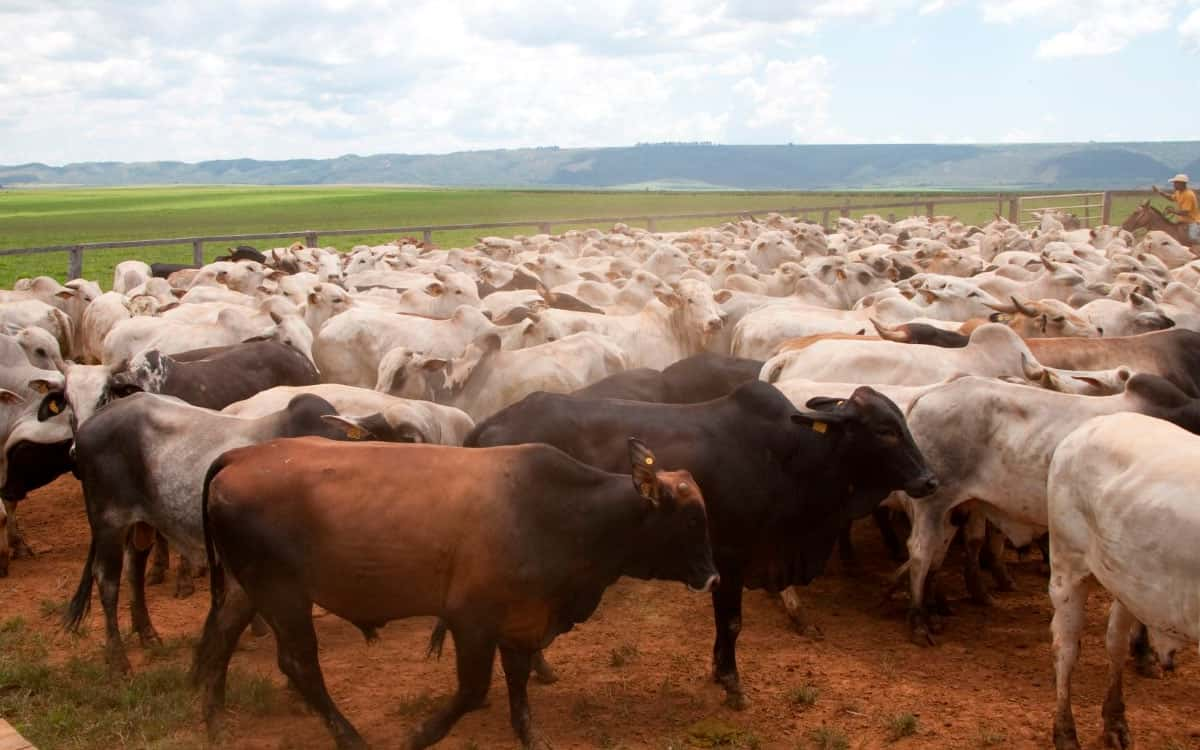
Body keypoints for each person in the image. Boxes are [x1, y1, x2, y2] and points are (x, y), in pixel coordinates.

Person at [1152, 173, 1200, 243]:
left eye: (1175, 183)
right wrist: (1159, 192)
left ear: (1182, 184)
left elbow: (1185, 212)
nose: (1174, 185)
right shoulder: (1178, 192)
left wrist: (1172, 211)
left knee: (1193, 239)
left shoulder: (1188, 195)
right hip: (1183, 222)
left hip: (1192, 222)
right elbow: (1171, 198)